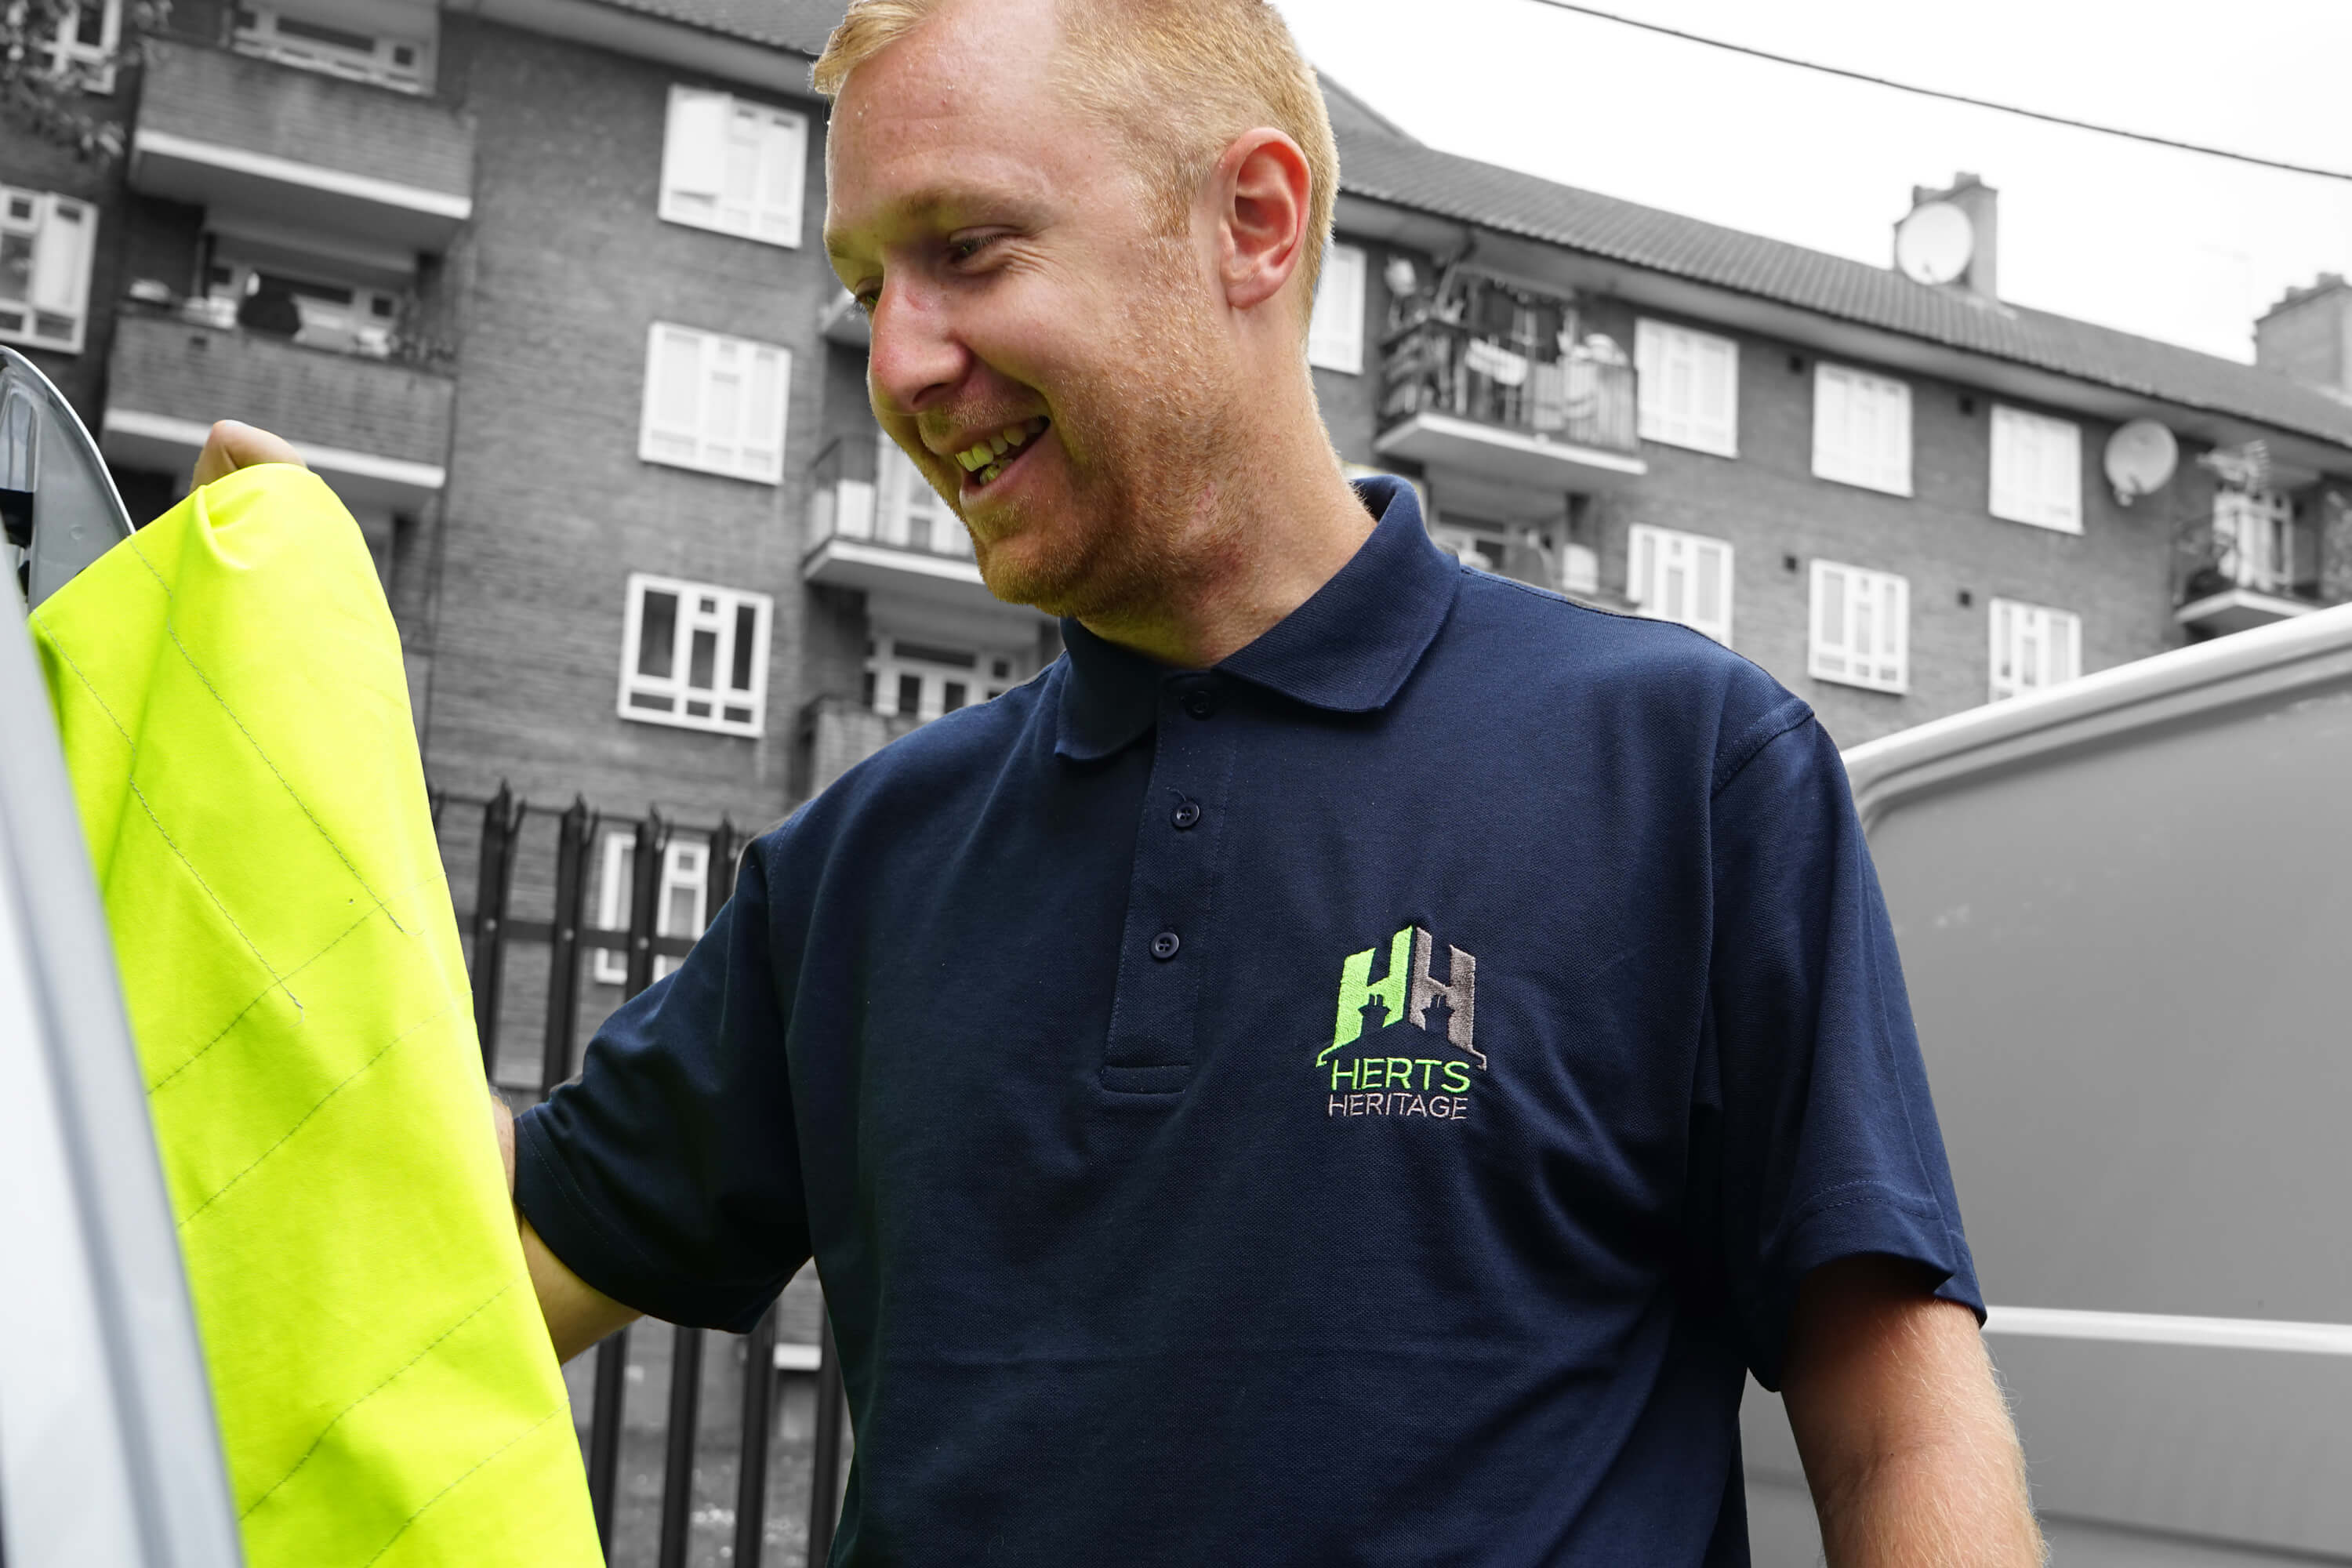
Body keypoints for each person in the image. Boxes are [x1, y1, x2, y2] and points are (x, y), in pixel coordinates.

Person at [200, 1, 2045, 1559]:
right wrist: (262, 746)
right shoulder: (863, 858)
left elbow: (1891, 1414)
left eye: (969, 250)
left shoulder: (1684, 765)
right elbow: (466, 1277)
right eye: (865, 284)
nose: (900, 362)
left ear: (1252, 221)